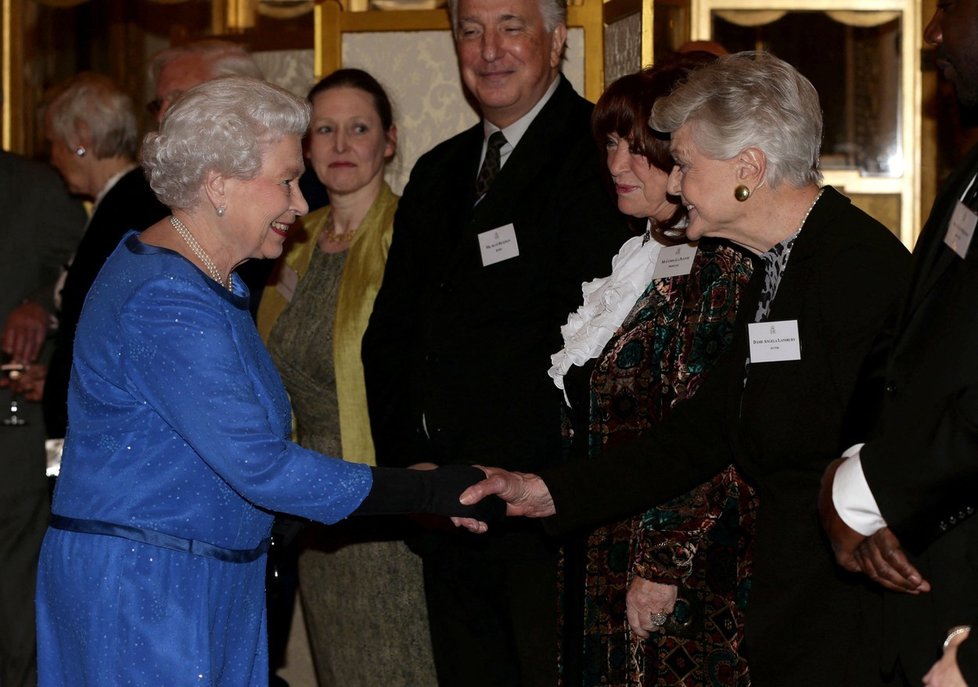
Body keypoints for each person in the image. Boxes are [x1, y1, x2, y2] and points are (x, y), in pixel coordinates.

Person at [459, 51, 912, 686]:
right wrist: (549, 491)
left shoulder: (856, 268)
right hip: (795, 610)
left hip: (842, 621)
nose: (673, 186)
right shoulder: (781, 263)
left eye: (688, 166)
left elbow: (884, 454)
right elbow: (702, 430)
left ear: (749, 169)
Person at [34, 76, 499, 687]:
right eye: (285, 181)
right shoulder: (165, 299)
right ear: (219, 185)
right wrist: (427, 493)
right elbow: (260, 466)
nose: (302, 203)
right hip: (148, 588)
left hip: (196, 576)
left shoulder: (206, 280)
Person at [361, 0, 630, 682]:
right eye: (471, 31)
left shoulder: (603, 159)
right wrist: (412, 475)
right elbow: (390, 338)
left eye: (512, 27)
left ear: (557, 39)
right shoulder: (437, 172)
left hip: (544, 523)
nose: (489, 50)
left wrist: (555, 482)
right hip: (445, 514)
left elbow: (605, 347)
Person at [556, 56, 756, 687]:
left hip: (681, 569)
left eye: (639, 150)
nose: (617, 165)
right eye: (612, 145)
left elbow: (710, 431)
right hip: (602, 548)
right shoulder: (637, 254)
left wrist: (661, 564)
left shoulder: (718, 264)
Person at [256, 68, 437, 685]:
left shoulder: (411, 236)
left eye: (357, 128)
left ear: (387, 141)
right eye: (323, 130)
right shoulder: (291, 243)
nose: (339, 145)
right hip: (311, 507)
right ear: (303, 147)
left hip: (382, 499)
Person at [818, 0, 978, 684]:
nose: (933, 31)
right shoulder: (970, 171)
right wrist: (859, 467)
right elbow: (914, 356)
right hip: (928, 579)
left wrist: (859, 491)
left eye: (948, 8)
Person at [35, 72, 168, 438]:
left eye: (54, 143)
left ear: (81, 137)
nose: (52, 158)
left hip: (114, 430)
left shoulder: (129, 208)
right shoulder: (118, 202)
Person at [0, 148, 85, 687]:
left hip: (12, 441)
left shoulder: (32, 188)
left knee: (17, 614)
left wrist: (40, 305)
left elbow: (85, 279)